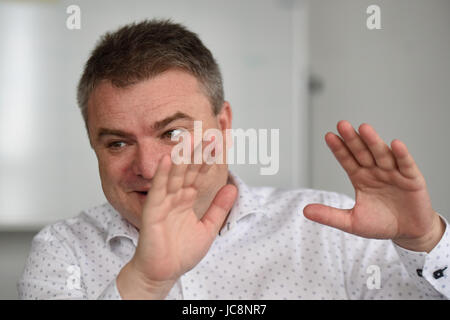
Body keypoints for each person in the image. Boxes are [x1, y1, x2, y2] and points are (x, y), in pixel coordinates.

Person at [18, 18, 449, 300]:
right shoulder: (63, 252)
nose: (148, 168)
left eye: (173, 133)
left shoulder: (334, 229)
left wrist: (426, 239)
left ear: (223, 125)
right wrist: (145, 283)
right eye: (117, 143)